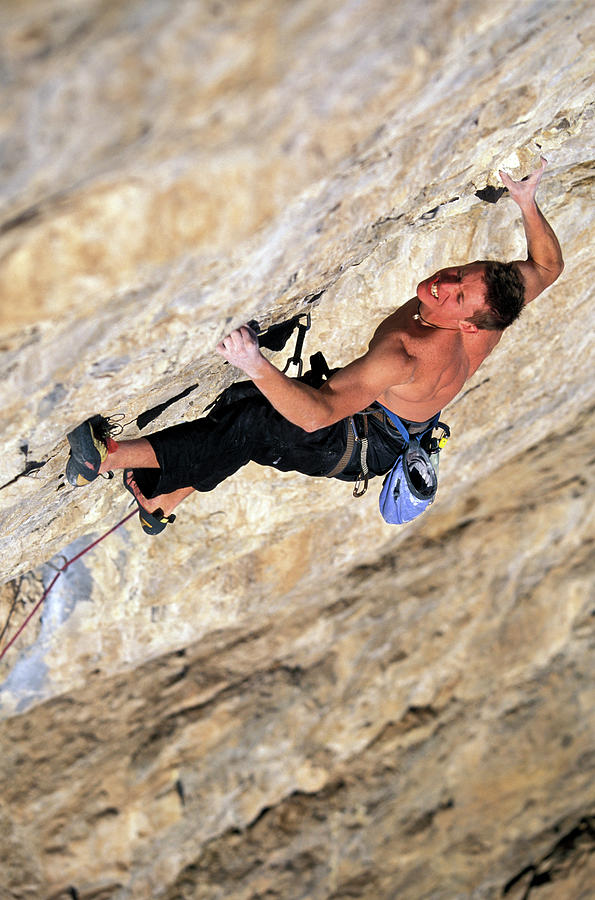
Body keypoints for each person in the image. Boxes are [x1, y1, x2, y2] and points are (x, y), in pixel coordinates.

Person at [65, 158, 563, 533]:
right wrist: (526, 201)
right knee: (246, 408)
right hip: (392, 421)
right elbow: (546, 268)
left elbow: (315, 416)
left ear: (470, 328)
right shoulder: (493, 302)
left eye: (455, 296)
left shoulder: (406, 355)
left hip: (358, 443)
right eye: (458, 273)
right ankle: (162, 501)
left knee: (256, 421)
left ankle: (106, 459)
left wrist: (252, 362)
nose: (442, 284)